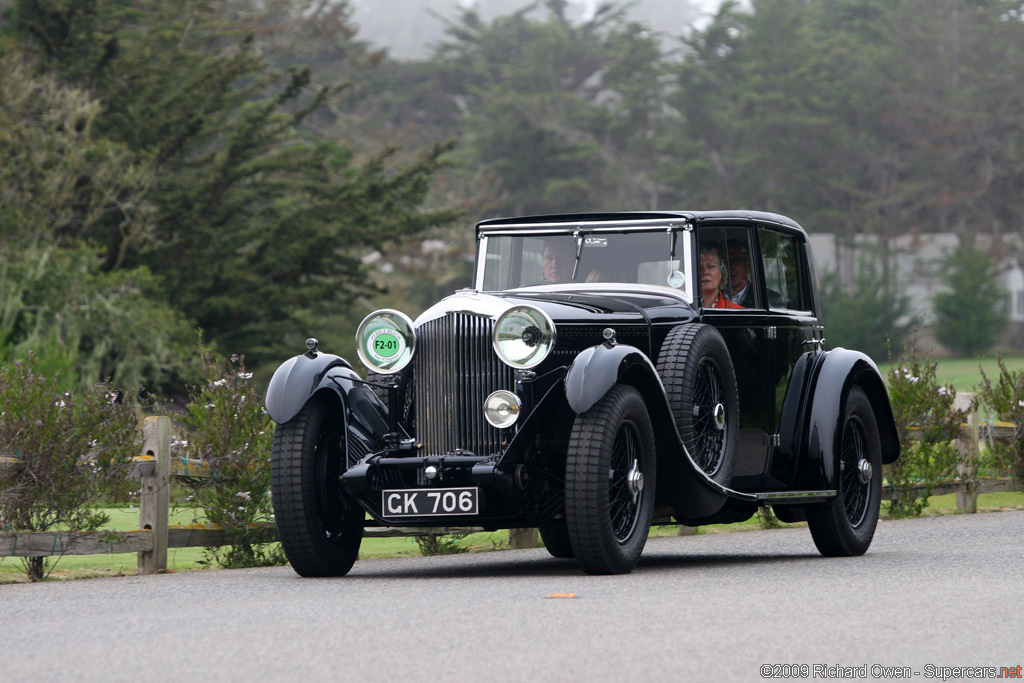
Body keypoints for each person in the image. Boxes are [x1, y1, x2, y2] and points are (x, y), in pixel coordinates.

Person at [700, 244, 743, 309]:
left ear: (721, 273)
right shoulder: (680, 308)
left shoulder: (736, 312)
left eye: (711, 267)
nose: (705, 272)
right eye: (699, 268)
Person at [727, 238, 755, 307]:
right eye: (726, 262)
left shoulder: (767, 298)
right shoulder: (712, 298)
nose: (731, 266)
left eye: (736, 261)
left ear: (748, 266)